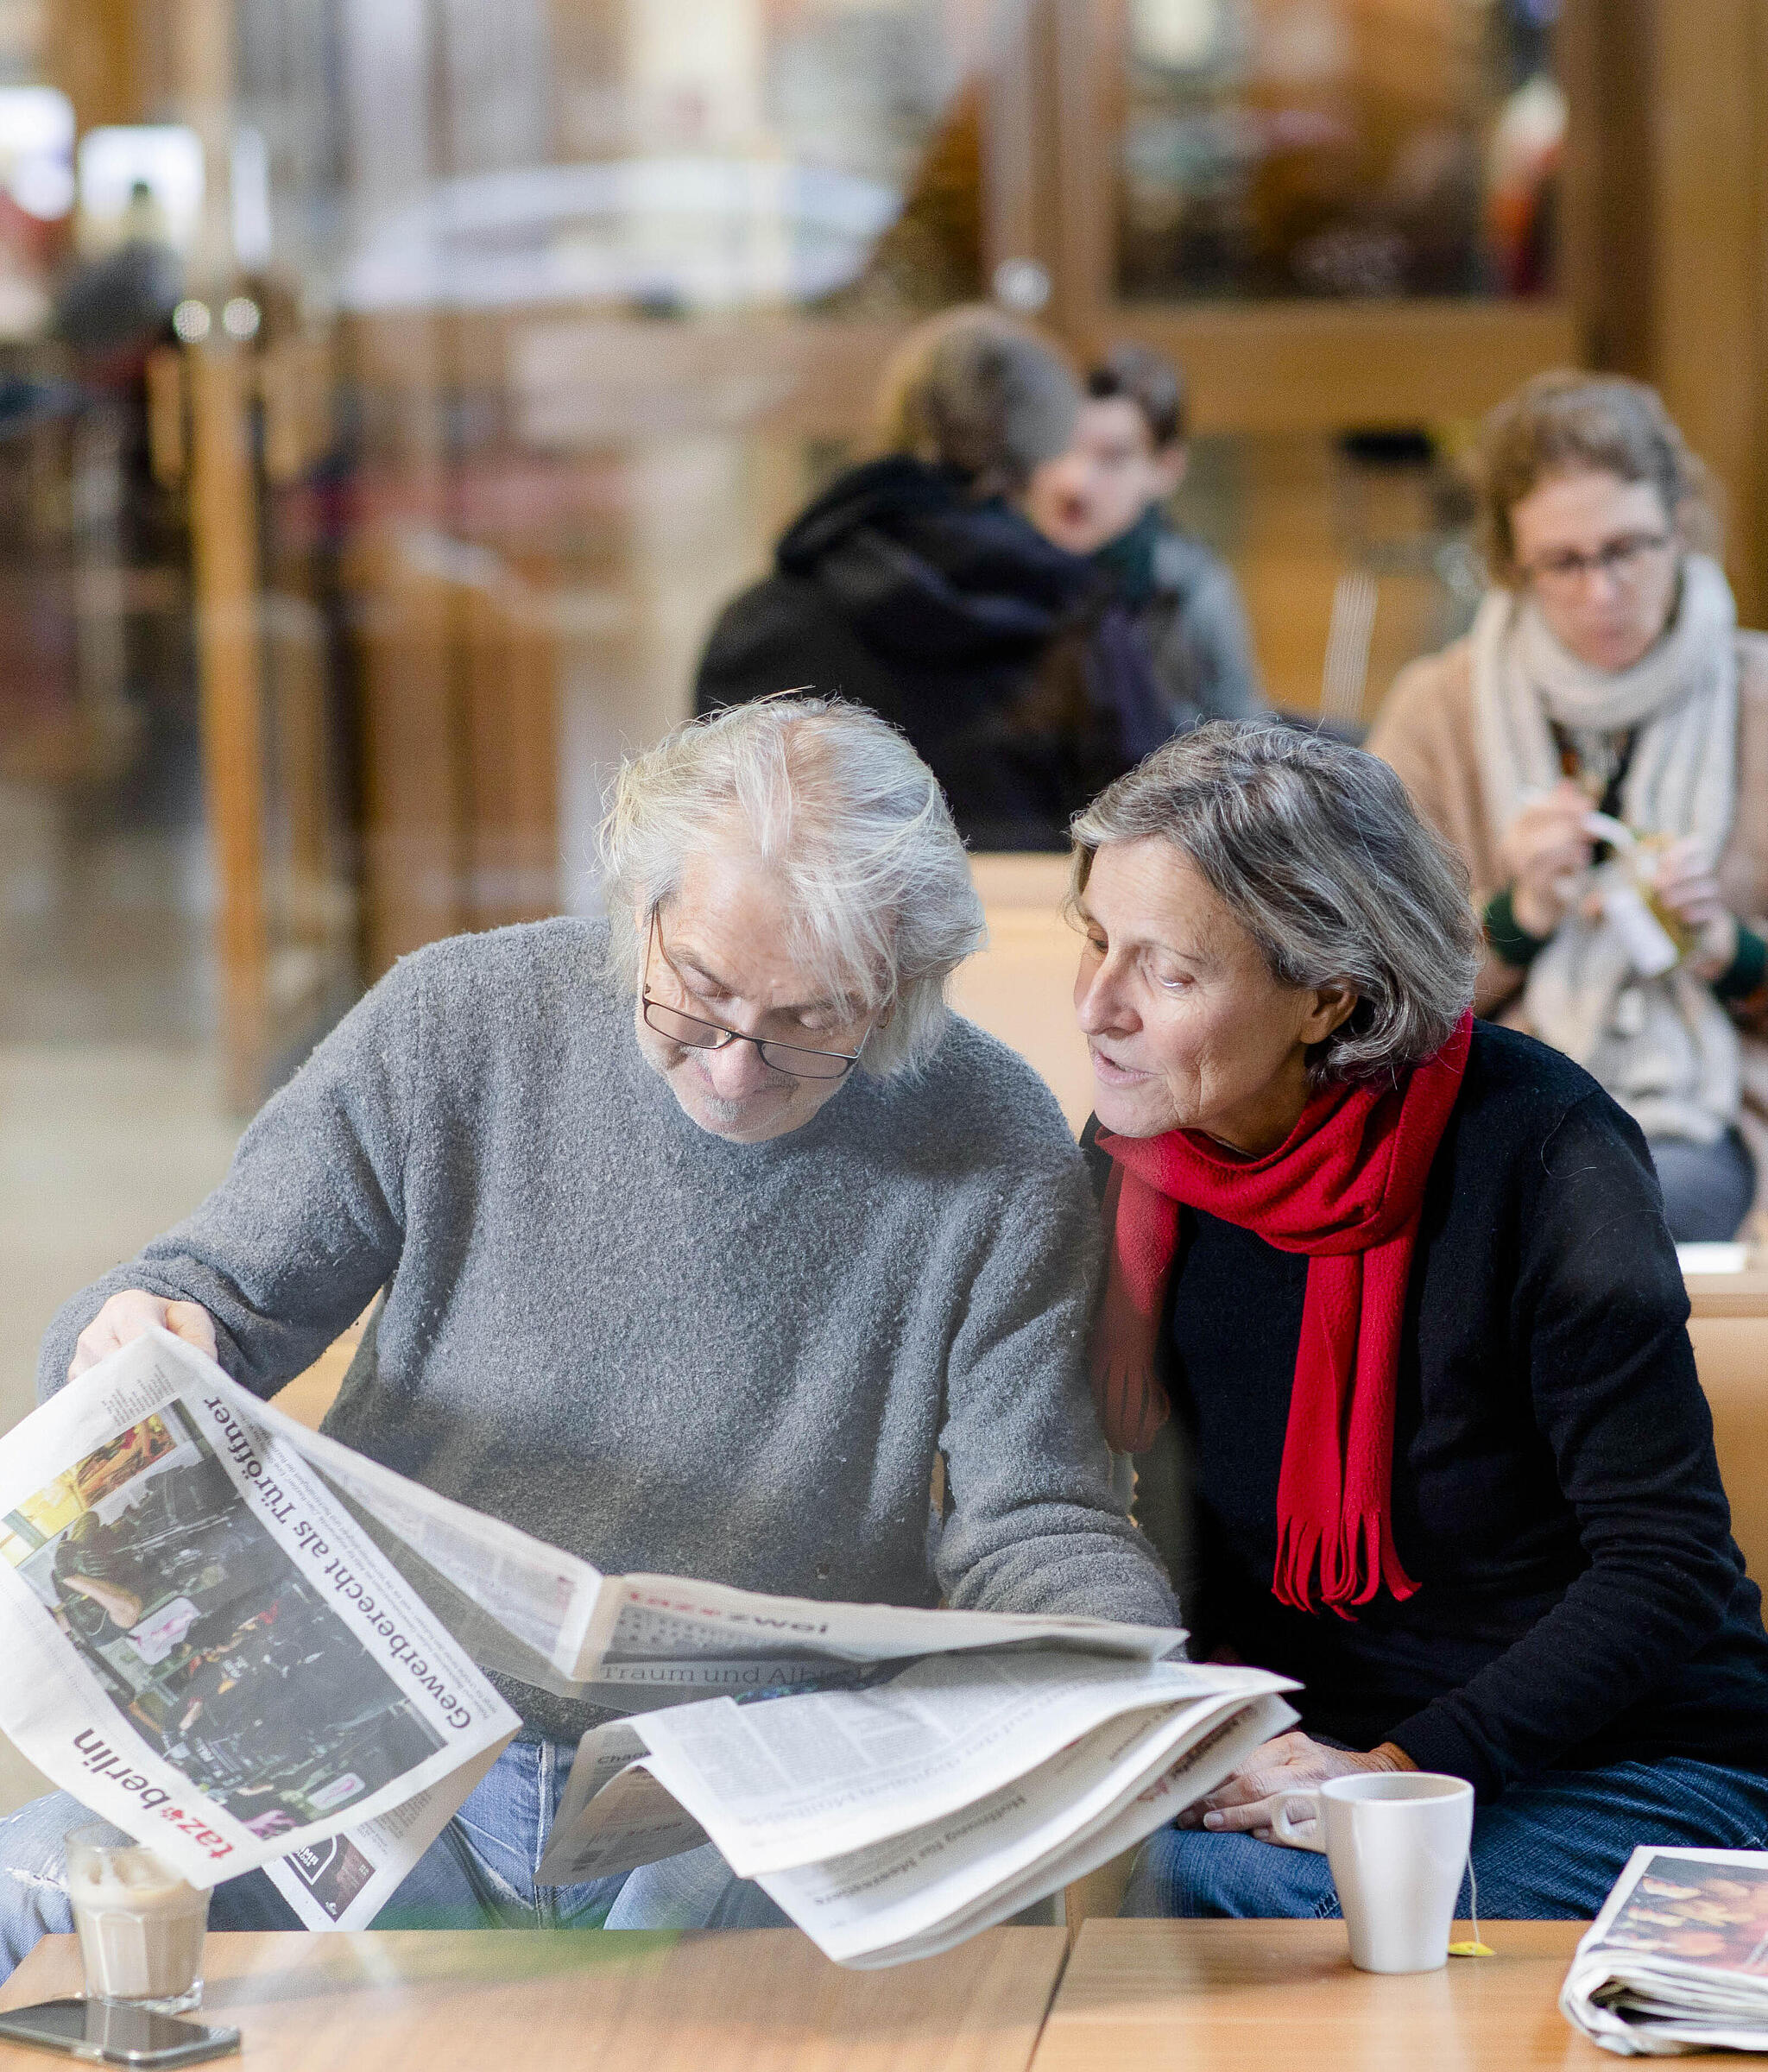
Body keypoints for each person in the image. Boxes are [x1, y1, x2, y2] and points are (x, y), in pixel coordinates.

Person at [0, 696, 1175, 1974]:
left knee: (942, 1934)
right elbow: (203, 1296)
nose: (734, 1069)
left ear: (897, 988)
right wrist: (132, 1338)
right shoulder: (461, 1023)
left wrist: (1141, 1690)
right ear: (640, 911)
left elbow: (1036, 1519)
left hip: (733, 1802)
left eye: (813, 1022)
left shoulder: (991, 1135)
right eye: (703, 994)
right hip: (401, 1768)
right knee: (35, 1884)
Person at [1069, 722, 1768, 1922]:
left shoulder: (1550, 1153)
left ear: (1328, 998)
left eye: (1168, 971)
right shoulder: (1136, 1166)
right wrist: (1208, 1731)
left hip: (1632, 1776)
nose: (1099, 1008)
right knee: (1042, 1865)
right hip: (1303, 1760)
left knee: (1216, 1890)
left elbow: (1666, 1567)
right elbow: (1111, 1518)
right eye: (1097, 943)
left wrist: (1393, 1775)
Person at [1370, 372, 1768, 1241]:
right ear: (1511, 564)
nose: (1602, 592)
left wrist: (1730, 949)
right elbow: (1379, 996)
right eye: (1564, 563)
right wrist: (1519, 916)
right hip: (1501, 1103)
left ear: (1680, 526)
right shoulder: (1436, 711)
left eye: (1628, 550)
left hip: (1705, 1112)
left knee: (1592, 1223)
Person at [694, 307, 1171, 850]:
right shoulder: (1082, 622)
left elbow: (711, 832)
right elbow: (1149, 836)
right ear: (1042, 451)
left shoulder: (756, 621)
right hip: (1035, 928)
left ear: (895, 419)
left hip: (819, 933)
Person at [1027, 344, 1267, 730]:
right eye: (1064, 449)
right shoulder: (1006, 572)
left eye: (1112, 458)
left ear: (1167, 469)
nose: (1076, 482)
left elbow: (1245, 749)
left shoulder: (1195, 591)